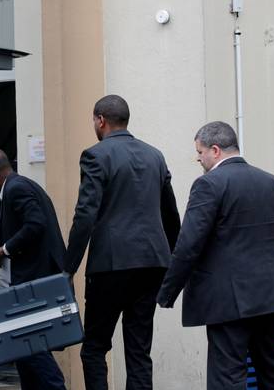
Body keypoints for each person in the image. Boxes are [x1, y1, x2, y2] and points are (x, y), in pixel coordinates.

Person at [157, 121, 274, 390]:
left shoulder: (208, 185)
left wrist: (167, 292)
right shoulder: (271, 182)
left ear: (215, 150)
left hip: (227, 302)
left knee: (228, 377)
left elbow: (188, 245)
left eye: (200, 152)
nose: (198, 158)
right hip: (270, 294)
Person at [64, 94, 181, 390]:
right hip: (153, 262)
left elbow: (85, 214)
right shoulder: (155, 155)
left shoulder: (96, 155)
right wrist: (175, 259)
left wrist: (69, 268)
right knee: (139, 350)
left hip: (110, 264)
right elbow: (170, 212)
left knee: (94, 347)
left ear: (100, 120)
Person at [0, 148, 67, 390]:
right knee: (23, 347)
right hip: (35, 276)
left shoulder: (16, 188)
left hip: (33, 279)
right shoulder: (23, 185)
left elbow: (35, 224)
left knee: (28, 342)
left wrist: (5, 249)